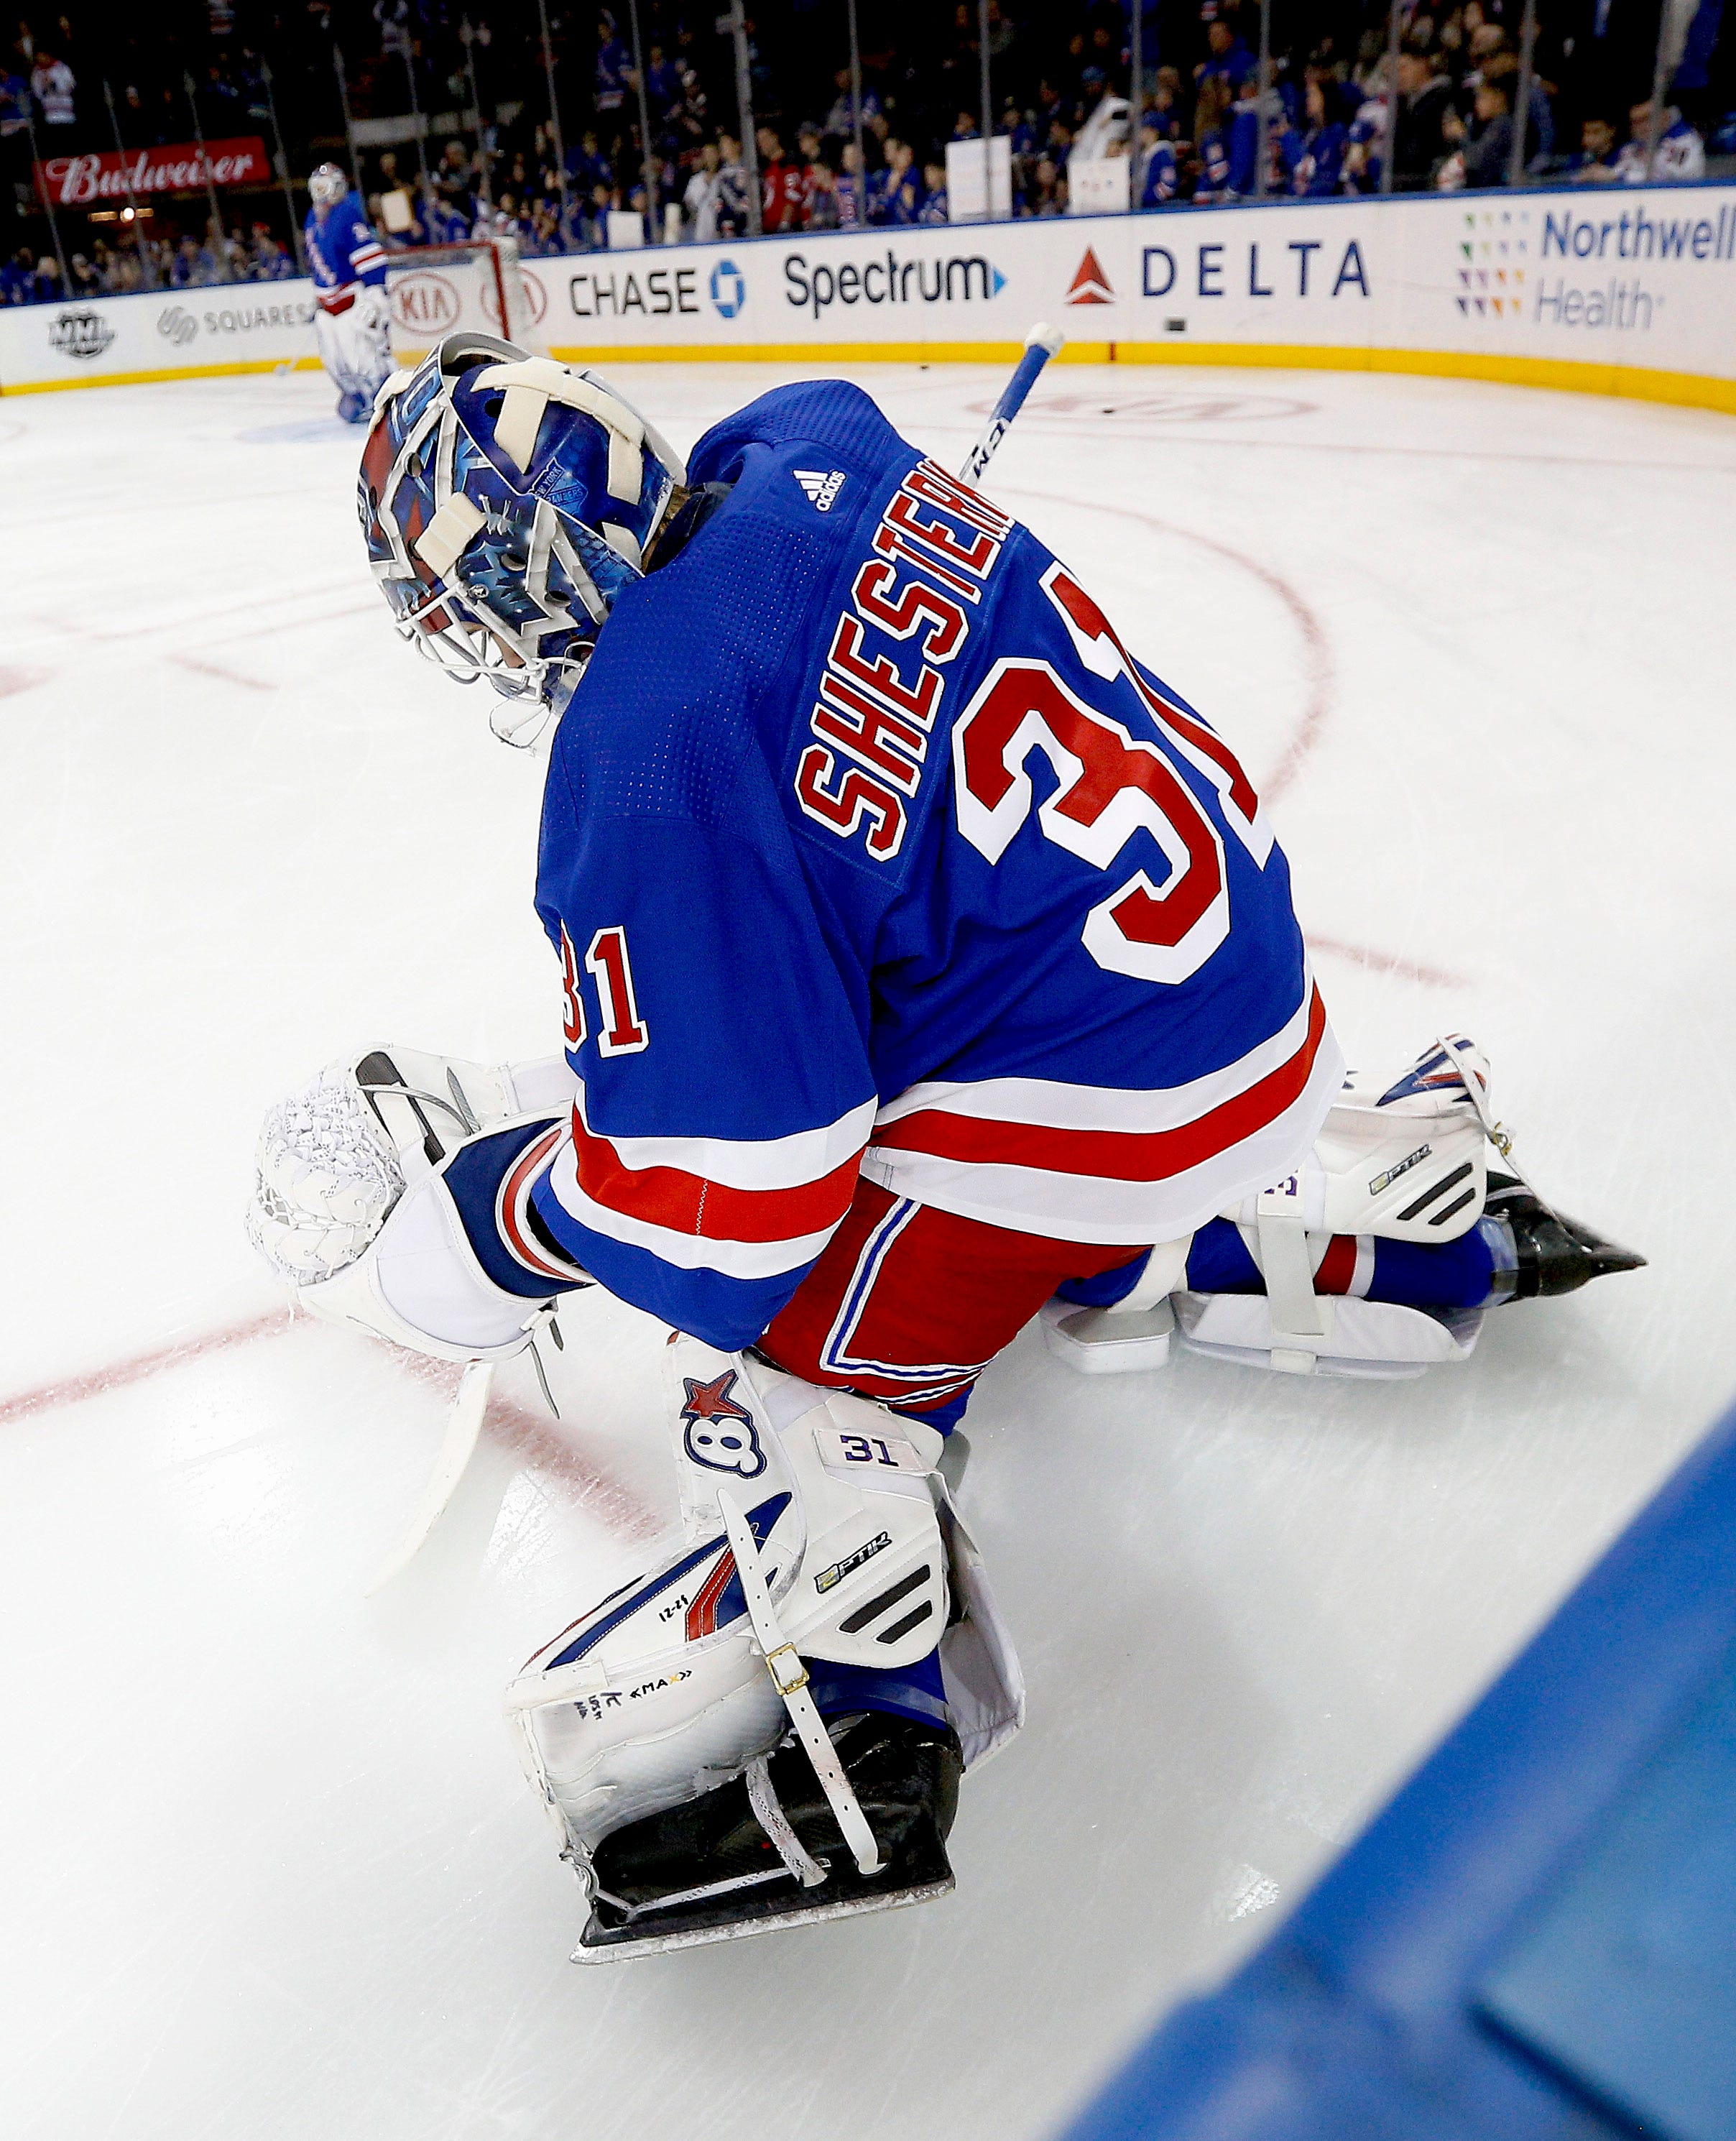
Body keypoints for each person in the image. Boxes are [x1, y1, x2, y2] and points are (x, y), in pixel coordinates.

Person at [252, 339, 1641, 1958]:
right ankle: (1355, 1211)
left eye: (467, 600)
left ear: (516, 575)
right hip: (1236, 981)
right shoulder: (809, 445)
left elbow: (730, 1202)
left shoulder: (647, 745)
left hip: (1101, 1094)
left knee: (763, 1346)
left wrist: (501, 1213)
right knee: (965, 1058)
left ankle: (856, 1685)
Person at [302, 162, 392, 424]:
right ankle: (356, 396)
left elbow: (370, 257)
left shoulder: (347, 214)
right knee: (335, 361)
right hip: (328, 307)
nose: (320, 193)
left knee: (363, 356)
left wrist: (376, 293)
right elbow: (320, 262)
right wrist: (317, 295)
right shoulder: (312, 217)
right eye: (316, 187)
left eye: (324, 187)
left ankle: (384, 397)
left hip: (351, 301)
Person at [1610, 98, 1706, 183]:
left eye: (1646, 119)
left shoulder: (1686, 142)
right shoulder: (1630, 150)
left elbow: (1681, 178)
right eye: (1636, 122)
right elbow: (1616, 173)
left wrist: (1620, 177)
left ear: (1664, 116)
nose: (1641, 127)